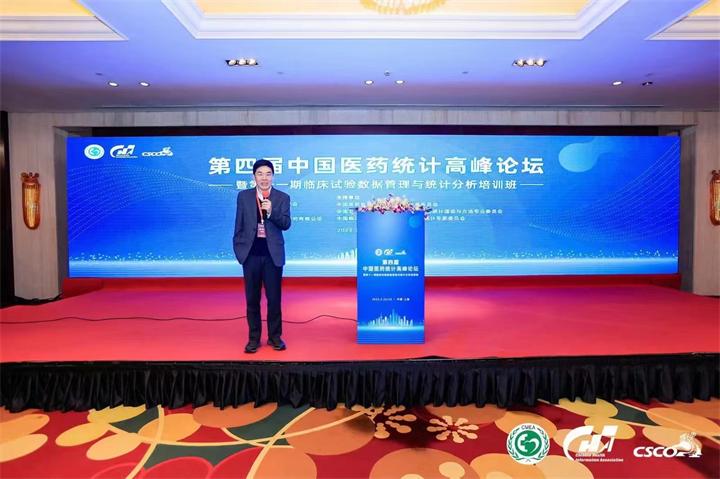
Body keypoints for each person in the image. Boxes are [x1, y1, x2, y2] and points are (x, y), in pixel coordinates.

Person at [233, 159, 291, 353]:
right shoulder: (244, 196)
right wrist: (239, 250)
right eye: (260, 174)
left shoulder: (282, 197)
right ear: (254, 176)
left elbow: (286, 224)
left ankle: (275, 337)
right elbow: (238, 225)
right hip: (250, 255)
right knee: (252, 299)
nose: (264, 178)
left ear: (273, 176)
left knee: (274, 299)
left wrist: (271, 212)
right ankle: (254, 339)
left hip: (272, 256)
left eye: (268, 174)